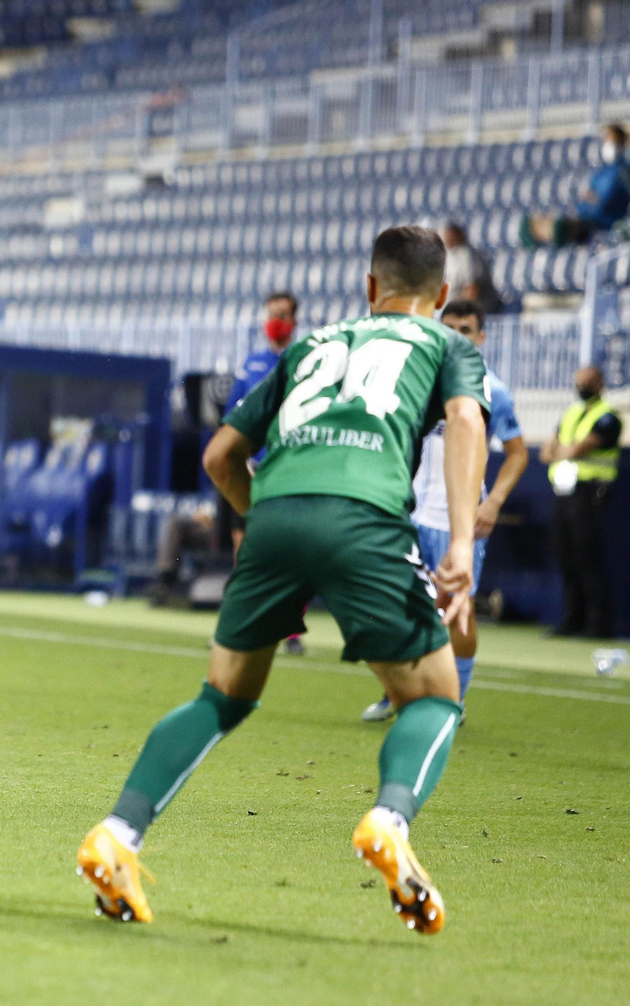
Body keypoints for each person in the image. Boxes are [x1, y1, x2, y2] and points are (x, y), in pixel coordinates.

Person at [77, 225, 489, 936]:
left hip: (272, 517)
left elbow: (218, 457)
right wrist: (457, 542)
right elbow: (463, 422)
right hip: (365, 521)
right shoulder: (448, 344)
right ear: (443, 295)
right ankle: (389, 821)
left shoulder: (309, 344)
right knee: (434, 695)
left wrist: (268, 523)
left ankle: (118, 834)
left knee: (224, 696)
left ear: (369, 287)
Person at [362, 300, 527, 722]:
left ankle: (455, 700)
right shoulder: (420, 381)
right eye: (449, 326)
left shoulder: (494, 390)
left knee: (460, 611)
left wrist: (491, 503)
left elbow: (517, 454)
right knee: (402, 608)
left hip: (460, 520)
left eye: (466, 329)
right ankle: (397, 693)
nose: (456, 335)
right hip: (411, 513)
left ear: (481, 336)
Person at [223, 290, 307, 655]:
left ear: (295, 321)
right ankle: (245, 624)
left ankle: (290, 630)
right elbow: (232, 420)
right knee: (245, 550)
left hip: (288, 468)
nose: (276, 321)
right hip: (250, 469)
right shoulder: (249, 365)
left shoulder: (305, 362)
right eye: (271, 314)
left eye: (283, 315)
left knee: (289, 551)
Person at [540, 364, 622, 637]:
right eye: (578, 382)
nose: (582, 387)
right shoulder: (571, 412)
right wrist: (565, 451)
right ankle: (571, 619)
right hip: (564, 492)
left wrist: (566, 451)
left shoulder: (608, 417)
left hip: (590, 493)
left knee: (589, 558)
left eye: (587, 382)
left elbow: (580, 447)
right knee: (567, 556)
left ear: (599, 384)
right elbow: (548, 451)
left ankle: (598, 623)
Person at [522, 124, 630, 246]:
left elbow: (604, 201)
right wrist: (589, 199)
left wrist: (591, 199)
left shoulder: (623, 171)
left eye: (611, 141)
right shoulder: (602, 171)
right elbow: (584, 201)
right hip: (586, 220)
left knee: (560, 226)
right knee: (541, 222)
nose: (607, 145)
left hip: (603, 224)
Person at [439, 222, 502, 317]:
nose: (448, 238)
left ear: (459, 235)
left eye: (451, 235)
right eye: (446, 235)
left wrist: (459, 312)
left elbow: (472, 289)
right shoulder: (446, 254)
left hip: (470, 310)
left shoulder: (467, 255)